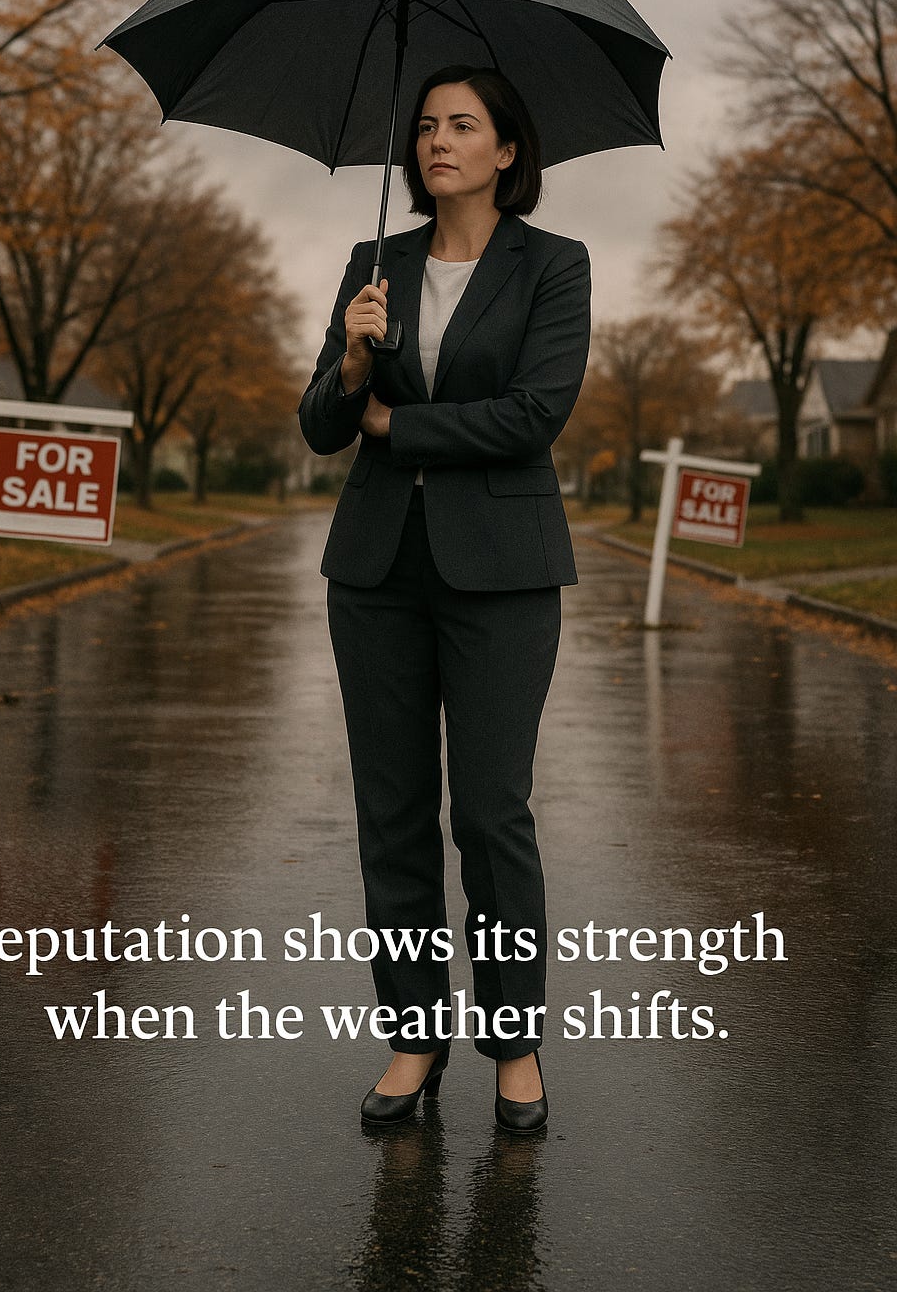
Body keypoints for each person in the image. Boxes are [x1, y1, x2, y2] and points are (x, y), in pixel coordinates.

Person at [297, 65, 591, 1133]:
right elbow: (321, 429)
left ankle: (514, 1045)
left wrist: (396, 425)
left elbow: (533, 414)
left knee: (490, 813)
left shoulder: (555, 267)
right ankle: (412, 1035)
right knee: (392, 815)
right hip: (375, 572)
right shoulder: (373, 265)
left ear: (507, 149)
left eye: (462, 125)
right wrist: (350, 361)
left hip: (504, 572)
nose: (437, 141)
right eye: (425, 125)